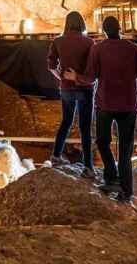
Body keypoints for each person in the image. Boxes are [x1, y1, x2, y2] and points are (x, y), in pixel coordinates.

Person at [86, 15, 137, 203]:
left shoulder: (98, 50)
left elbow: (90, 77)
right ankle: (126, 191)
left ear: (104, 31)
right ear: (120, 28)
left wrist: (74, 77)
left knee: (102, 142)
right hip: (129, 105)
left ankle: (112, 178)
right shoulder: (133, 49)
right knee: (125, 149)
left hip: (105, 103)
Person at [46, 11, 96, 178]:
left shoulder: (58, 41)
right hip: (84, 88)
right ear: (82, 23)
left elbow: (51, 65)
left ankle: (55, 156)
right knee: (85, 127)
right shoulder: (89, 42)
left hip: (66, 88)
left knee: (66, 122)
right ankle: (88, 166)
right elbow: (92, 70)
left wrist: (61, 77)